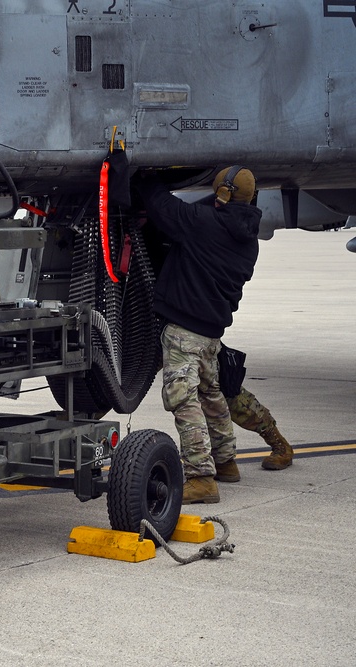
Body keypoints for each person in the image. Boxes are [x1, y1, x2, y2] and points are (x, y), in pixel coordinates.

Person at [133, 166, 262, 504]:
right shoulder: (249, 241)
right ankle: (226, 461)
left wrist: (145, 178)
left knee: (183, 399)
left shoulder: (205, 224)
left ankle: (201, 477)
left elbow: (164, 208)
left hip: (184, 332)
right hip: (210, 335)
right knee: (211, 395)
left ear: (223, 194)